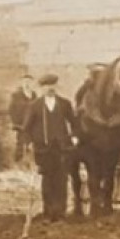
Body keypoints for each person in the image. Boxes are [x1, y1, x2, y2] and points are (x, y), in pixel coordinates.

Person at [25, 74, 76, 222]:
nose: (50, 88)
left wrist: (74, 137)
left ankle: (60, 212)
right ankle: (48, 212)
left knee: (61, 179)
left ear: (56, 86)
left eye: (52, 85)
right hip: (43, 148)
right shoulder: (35, 106)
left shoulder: (64, 104)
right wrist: (29, 143)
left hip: (62, 148)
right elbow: (27, 128)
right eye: (47, 86)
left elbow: (74, 122)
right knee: (47, 180)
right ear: (42, 88)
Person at [8, 74, 38, 166]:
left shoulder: (34, 95)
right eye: (25, 82)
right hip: (21, 123)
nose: (27, 84)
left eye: (29, 82)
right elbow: (12, 109)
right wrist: (15, 122)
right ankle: (18, 162)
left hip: (32, 123)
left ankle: (31, 162)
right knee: (21, 142)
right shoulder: (16, 95)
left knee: (32, 142)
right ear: (22, 83)